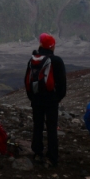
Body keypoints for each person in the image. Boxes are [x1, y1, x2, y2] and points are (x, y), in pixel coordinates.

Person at [25, 33, 67, 168]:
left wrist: (32, 97)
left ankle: (37, 152)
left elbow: (27, 81)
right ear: (52, 46)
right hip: (51, 100)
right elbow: (62, 84)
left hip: (36, 99)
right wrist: (57, 98)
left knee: (37, 125)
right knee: (51, 128)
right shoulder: (57, 61)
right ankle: (52, 157)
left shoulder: (33, 60)